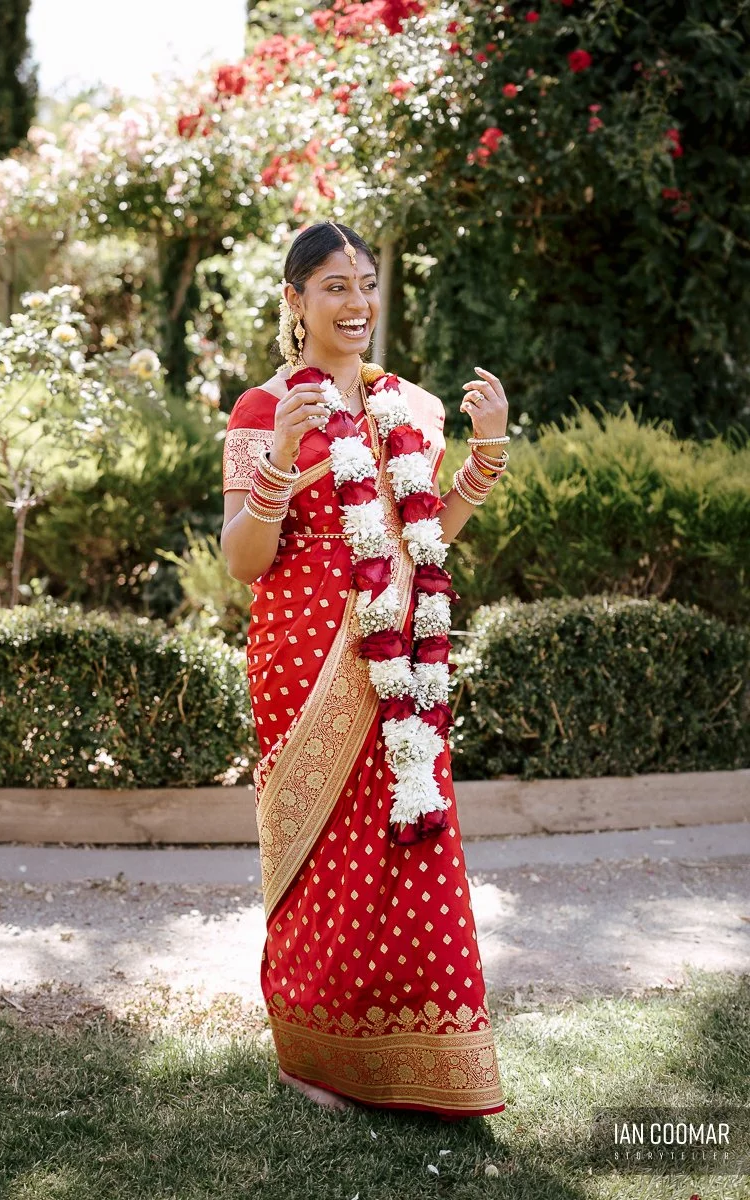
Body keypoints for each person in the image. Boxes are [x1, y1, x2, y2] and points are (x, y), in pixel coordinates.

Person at [221, 219, 509, 1118]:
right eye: (334, 286)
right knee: (320, 860)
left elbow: (431, 538)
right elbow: (241, 559)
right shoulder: (262, 409)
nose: (356, 303)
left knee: (403, 846)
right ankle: (311, 1055)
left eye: (366, 283)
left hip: (404, 665)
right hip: (304, 663)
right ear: (295, 302)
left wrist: (486, 456)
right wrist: (276, 467)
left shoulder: (412, 406)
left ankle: (420, 1056)